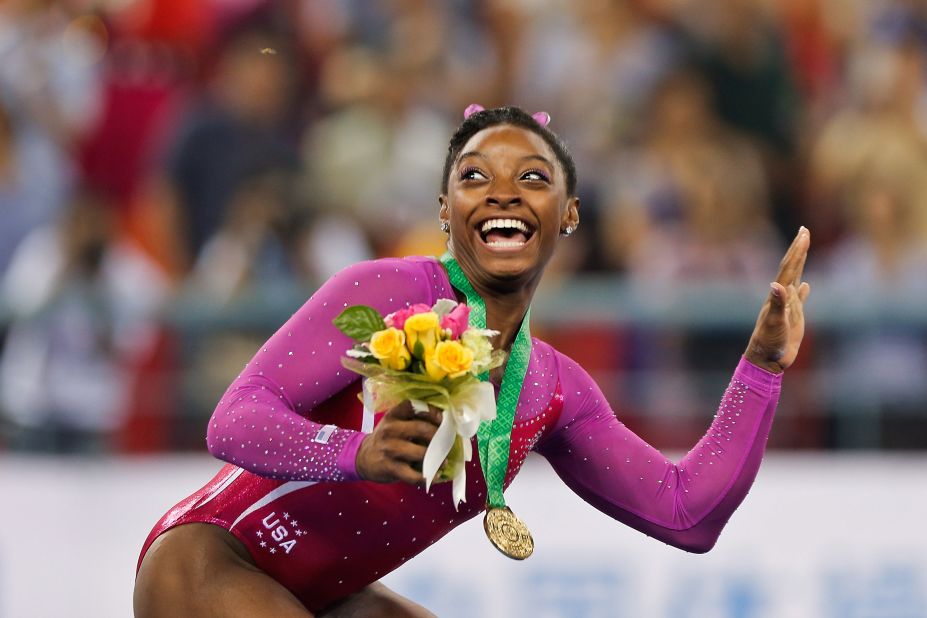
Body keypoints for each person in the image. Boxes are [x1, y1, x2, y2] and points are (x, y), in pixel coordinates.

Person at [134, 105, 811, 617]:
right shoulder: (386, 291)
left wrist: (760, 368)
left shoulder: (554, 390)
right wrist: (356, 453)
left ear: (568, 213)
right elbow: (233, 421)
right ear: (445, 209)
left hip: (329, 597)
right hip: (212, 558)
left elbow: (686, 515)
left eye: (532, 178)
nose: (503, 192)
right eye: (475, 177)